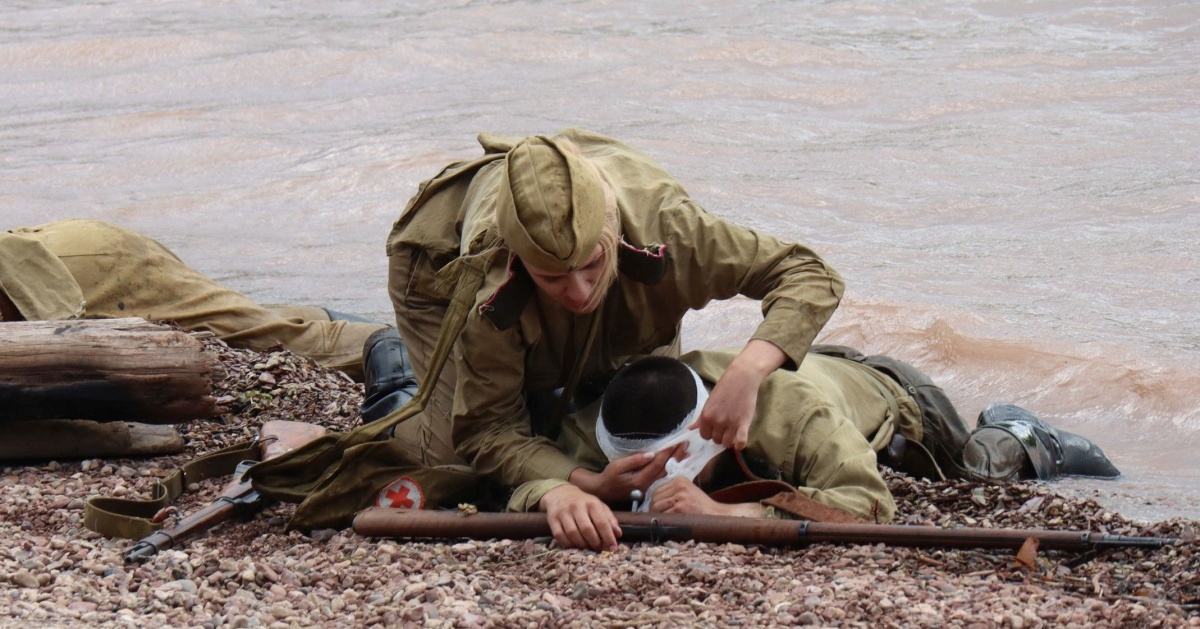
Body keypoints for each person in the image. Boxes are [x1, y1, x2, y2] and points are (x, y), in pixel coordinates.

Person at [378, 128, 844, 541]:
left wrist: (749, 370)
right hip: (434, 272)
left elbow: (806, 273)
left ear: (614, 235)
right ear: (522, 266)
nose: (579, 294)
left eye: (592, 265)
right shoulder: (492, 293)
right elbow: (488, 428)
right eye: (554, 279)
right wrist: (577, 483)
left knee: (646, 421)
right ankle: (393, 373)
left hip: (630, 270)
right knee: (457, 469)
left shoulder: (671, 232)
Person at [508, 346, 1120, 550]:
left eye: (665, 461)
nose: (646, 476)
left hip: (895, 397)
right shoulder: (605, 416)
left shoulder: (795, 417)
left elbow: (870, 504)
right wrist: (570, 490)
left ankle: (1020, 429)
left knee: (980, 473)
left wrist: (727, 513)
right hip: (813, 378)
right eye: (630, 462)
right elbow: (522, 471)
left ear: (703, 435)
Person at [0, 219, 388, 382]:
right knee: (235, 318)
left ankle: (422, 352)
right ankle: (389, 333)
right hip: (55, 252)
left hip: (83, 269)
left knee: (267, 341)